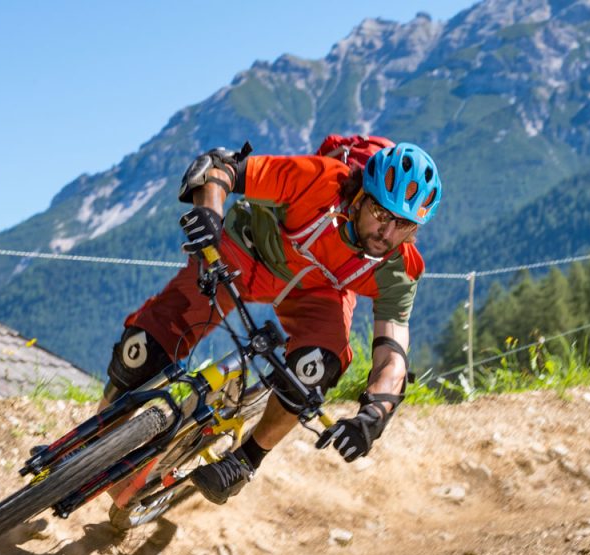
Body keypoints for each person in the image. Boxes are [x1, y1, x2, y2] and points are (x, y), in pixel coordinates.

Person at [102, 138, 442, 512]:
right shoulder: (319, 182)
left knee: (317, 365)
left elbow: (392, 354)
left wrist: (374, 415)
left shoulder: (399, 267)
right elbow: (219, 168)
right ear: (360, 196)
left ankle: (245, 460)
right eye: (380, 213)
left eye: (404, 225)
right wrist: (210, 215)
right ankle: (96, 435)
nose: (388, 233)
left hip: (319, 292)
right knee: (146, 344)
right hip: (246, 252)